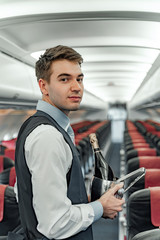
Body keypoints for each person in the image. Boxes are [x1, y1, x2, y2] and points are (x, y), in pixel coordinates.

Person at [14, 45, 125, 240]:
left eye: (79, 79)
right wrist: (100, 207)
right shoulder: (48, 136)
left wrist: (85, 200)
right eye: (64, 79)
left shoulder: (35, 125)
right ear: (43, 86)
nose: (77, 87)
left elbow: (25, 192)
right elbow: (55, 224)